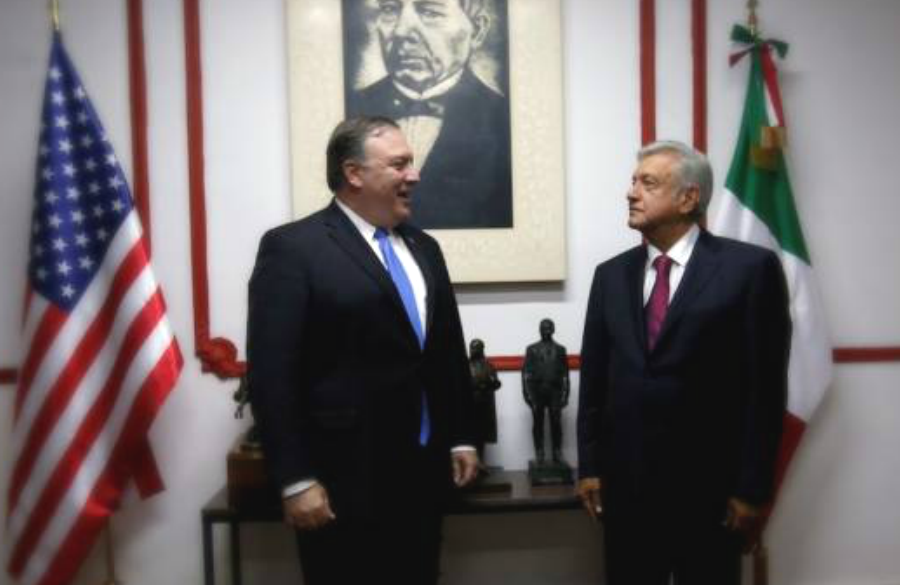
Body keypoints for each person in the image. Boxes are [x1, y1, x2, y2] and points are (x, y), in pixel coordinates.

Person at [246, 116, 479, 585]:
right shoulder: (293, 248)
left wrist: (460, 436)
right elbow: (272, 375)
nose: (414, 174)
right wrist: (295, 479)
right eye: (399, 164)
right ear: (353, 173)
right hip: (340, 481)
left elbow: (445, 353)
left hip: (421, 475)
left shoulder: (425, 248)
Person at [576, 140, 791, 585]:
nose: (631, 192)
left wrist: (752, 489)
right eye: (633, 182)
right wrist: (590, 467)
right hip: (627, 491)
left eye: (648, 183)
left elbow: (765, 391)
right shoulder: (610, 275)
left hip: (711, 492)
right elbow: (594, 381)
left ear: (689, 198)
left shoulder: (749, 269)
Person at [346, 0, 512, 229]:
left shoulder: (503, 122)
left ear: (477, 30)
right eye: (390, 10)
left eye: (429, 12)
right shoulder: (351, 112)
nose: (402, 31)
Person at [522, 318, 570, 464]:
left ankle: (557, 452)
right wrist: (527, 394)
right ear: (539, 330)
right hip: (537, 391)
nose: (546, 330)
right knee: (538, 423)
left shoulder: (560, 350)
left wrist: (565, 394)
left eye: (548, 328)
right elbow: (525, 373)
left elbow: (565, 374)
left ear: (553, 330)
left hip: (555, 391)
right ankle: (539, 452)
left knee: (556, 422)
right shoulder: (532, 349)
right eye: (543, 328)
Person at [468, 338, 501, 462]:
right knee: (470, 434)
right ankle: (472, 462)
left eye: (476, 348)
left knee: (482, 435)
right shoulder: (465, 365)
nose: (473, 350)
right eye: (472, 348)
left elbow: (495, 382)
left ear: (481, 349)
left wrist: (488, 384)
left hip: (484, 405)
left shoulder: (488, 366)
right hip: (469, 405)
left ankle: (480, 461)